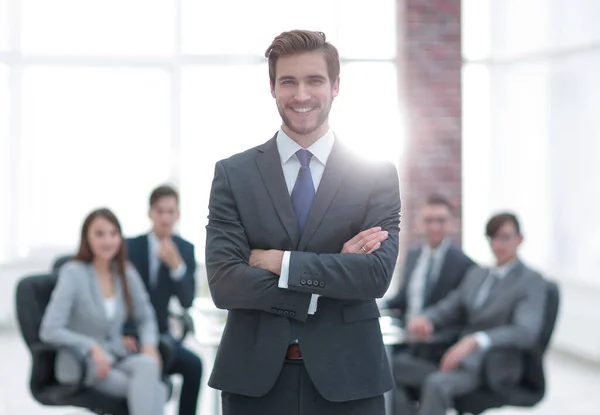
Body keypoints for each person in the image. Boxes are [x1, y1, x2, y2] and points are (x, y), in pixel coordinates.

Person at [205, 29, 401, 415]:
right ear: (273, 88)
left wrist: (281, 262)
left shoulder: (376, 176)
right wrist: (332, 274)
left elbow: (375, 275)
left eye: (314, 80)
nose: (301, 95)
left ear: (336, 86)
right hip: (254, 381)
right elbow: (225, 283)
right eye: (288, 82)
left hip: (350, 380)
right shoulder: (234, 174)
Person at [393, 212, 548, 415]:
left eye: (505, 237)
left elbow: (526, 332)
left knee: (436, 384)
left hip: (490, 367)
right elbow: (451, 306)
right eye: (493, 237)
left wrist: (478, 340)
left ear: (520, 239)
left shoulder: (531, 281)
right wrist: (427, 318)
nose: (498, 244)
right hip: (455, 357)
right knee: (392, 369)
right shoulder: (478, 274)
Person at [39, 208, 166, 415]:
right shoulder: (73, 273)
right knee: (154, 389)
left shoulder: (125, 272)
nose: (108, 240)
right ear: (86, 238)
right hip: (81, 364)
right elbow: (49, 329)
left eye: (113, 233)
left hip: (115, 356)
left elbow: (146, 316)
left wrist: (150, 346)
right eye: (99, 234)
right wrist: (92, 347)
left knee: (148, 364)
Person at [127, 185, 202, 415]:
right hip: (130, 332)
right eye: (160, 211)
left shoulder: (185, 249)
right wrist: (125, 332)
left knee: (194, 365)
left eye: (171, 212)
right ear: (150, 213)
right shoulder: (129, 247)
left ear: (177, 214)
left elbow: (187, 300)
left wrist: (177, 266)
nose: (165, 218)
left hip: (161, 333)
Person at [384, 194, 474, 363]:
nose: (434, 227)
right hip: (405, 340)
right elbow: (403, 298)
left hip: (438, 346)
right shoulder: (413, 255)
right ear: (418, 224)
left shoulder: (465, 264)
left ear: (452, 224)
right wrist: (377, 305)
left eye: (440, 220)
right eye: (428, 220)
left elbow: (460, 311)